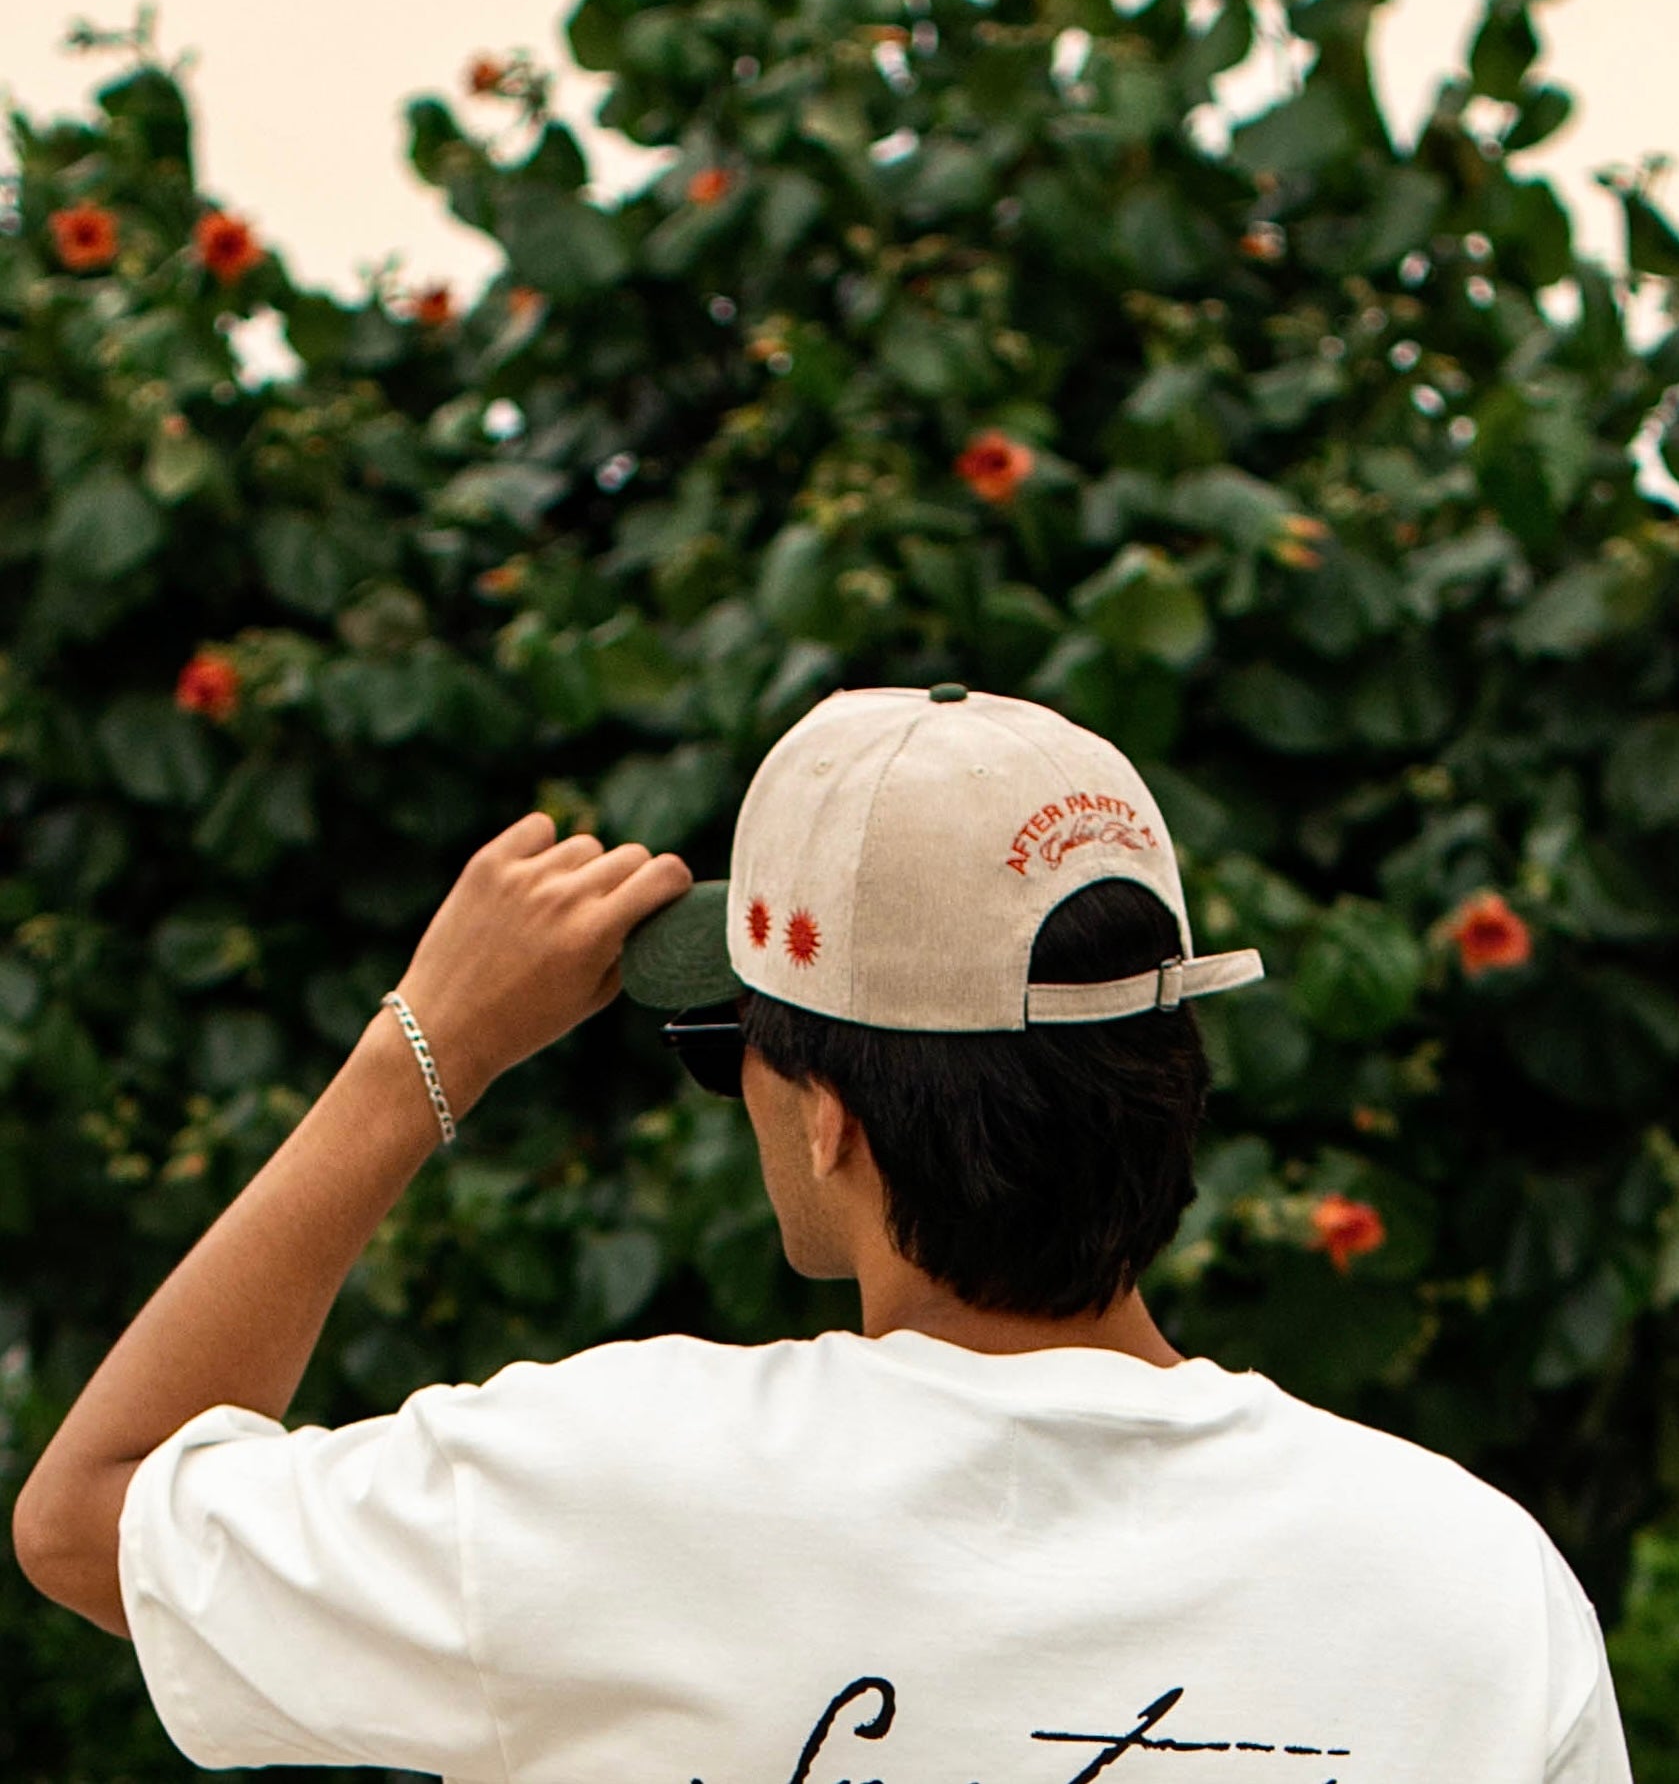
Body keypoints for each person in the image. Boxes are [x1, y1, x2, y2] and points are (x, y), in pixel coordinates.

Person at [13, 683, 1631, 1783]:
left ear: (831, 1116)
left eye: (733, 1046)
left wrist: (420, 1054)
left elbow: (89, 1511)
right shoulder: (1475, 1584)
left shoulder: (597, 1486)